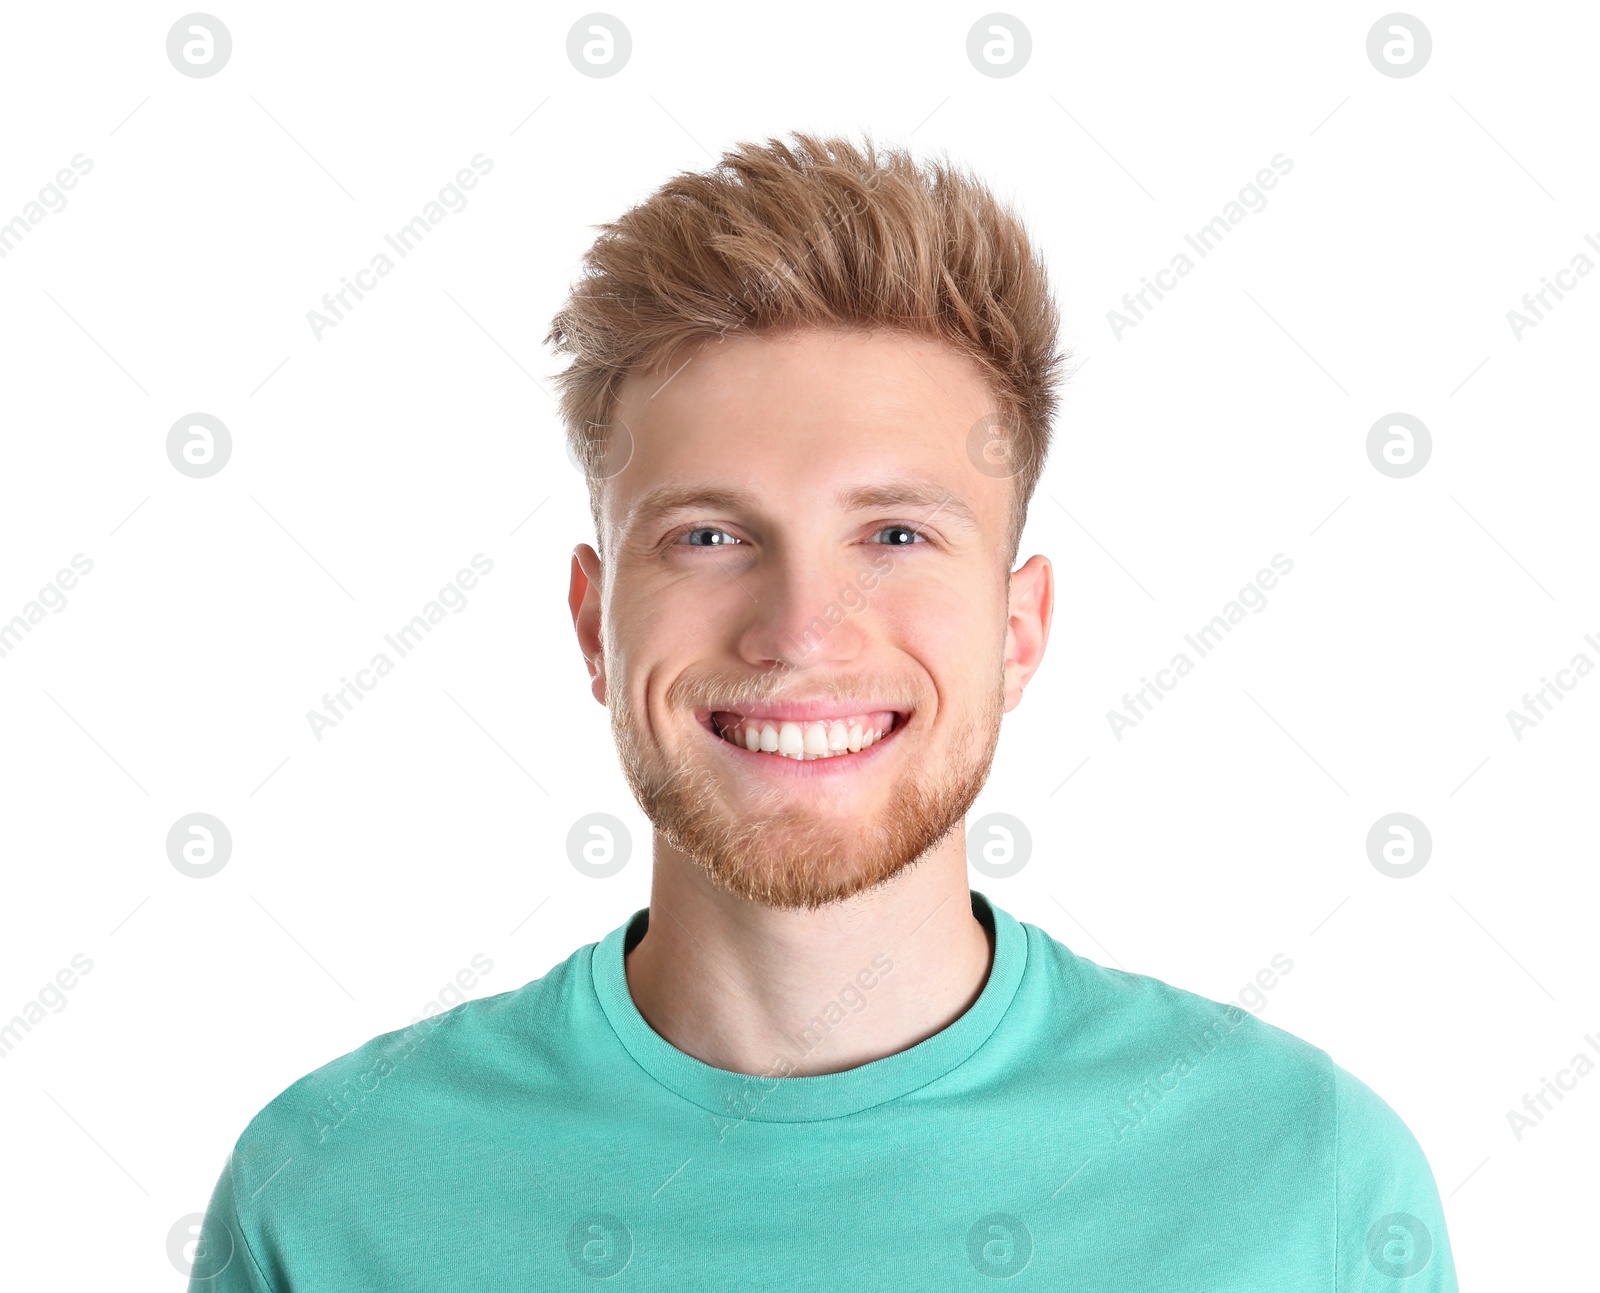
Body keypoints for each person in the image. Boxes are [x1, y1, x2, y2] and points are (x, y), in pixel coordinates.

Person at [189, 131, 1458, 1290]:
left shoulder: (1307, 1184)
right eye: (706, 535)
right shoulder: (333, 1195)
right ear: (593, 622)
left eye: (895, 533)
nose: (800, 630)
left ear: (1017, 631)